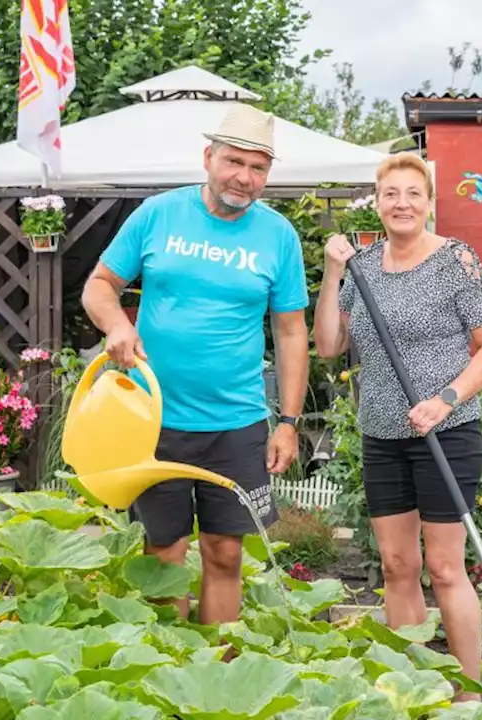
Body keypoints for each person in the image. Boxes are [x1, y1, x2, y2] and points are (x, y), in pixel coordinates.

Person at [81, 102, 310, 625]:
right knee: (164, 553)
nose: (245, 178)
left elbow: (292, 331)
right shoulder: (158, 214)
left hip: (237, 423)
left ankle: (220, 679)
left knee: (226, 552)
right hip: (155, 419)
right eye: (234, 162)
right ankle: (167, 675)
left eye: (258, 168)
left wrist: (290, 423)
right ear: (208, 157)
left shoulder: (279, 236)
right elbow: (99, 286)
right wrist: (117, 325)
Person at [312, 152, 482, 696]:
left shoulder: (456, 260)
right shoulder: (363, 267)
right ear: (377, 204)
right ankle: (415, 690)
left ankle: (470, 695)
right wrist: (332, 273)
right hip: (381, 435)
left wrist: (445, 399)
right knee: (398, 566)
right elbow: (329, 345)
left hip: (446, 432)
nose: (401, 204)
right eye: (390, 194)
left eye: (412, 194)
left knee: (445, 568)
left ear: (428, 202)